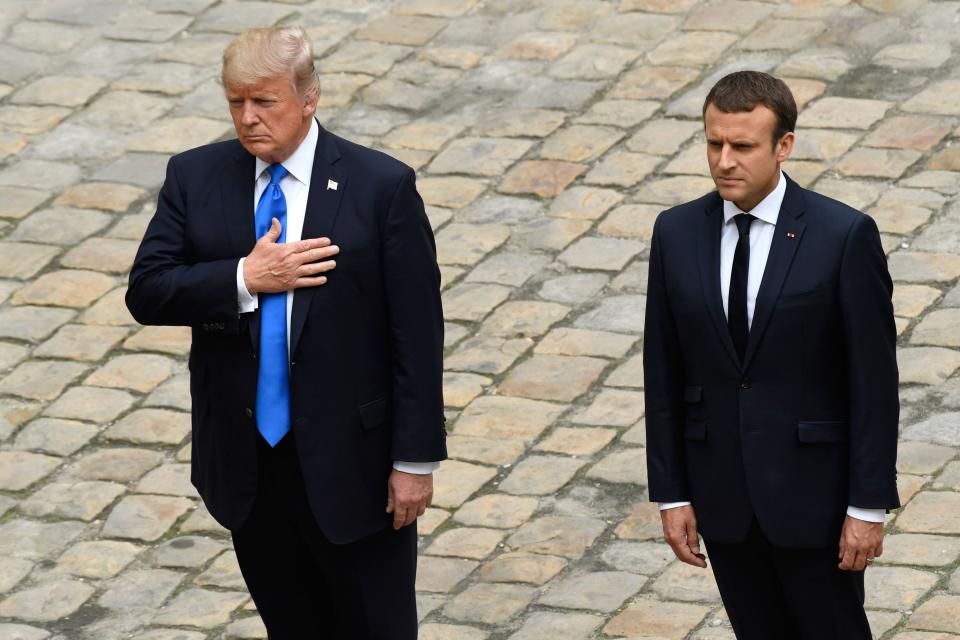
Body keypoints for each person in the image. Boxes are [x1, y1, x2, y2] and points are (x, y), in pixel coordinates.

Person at [126, 26, 446, 639]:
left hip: (356, 468)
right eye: (234, 102)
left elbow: (416, 333)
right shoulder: (196, 177)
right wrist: (246, 276)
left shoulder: (379, 188)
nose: (248, 119)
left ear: (309, 97)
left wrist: (414, 460)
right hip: (249, 465)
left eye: (265, 102)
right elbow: (148, 290)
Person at [643, 70, 899, 639]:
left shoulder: (843, 236)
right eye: (714, 144)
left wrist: (868, 506)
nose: (724, 161)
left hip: (815, 503)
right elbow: (662, 373)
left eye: (742, 146)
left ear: (784, 146)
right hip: (724, 501)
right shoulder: (676, 232)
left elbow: (874, 384)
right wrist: (672, 492)